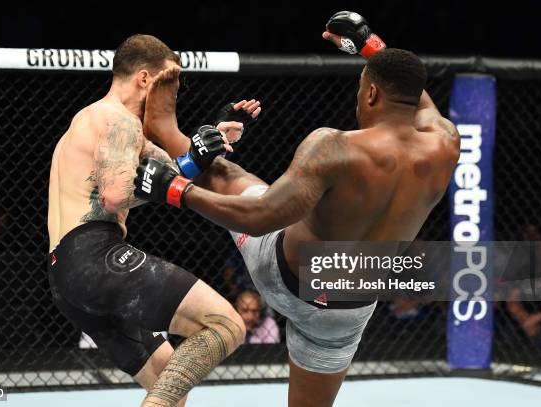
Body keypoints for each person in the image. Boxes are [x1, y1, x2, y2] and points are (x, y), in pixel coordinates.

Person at [134, 12, 460, 407]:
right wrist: (371, 45)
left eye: (362, 89)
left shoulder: (335, 146)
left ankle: (165, 128)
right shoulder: (445, 142)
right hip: (347, 308)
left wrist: (175, 189)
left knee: (223, 174)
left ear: (371, 94)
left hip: (281, 274)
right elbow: (416, 94)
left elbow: (260, 219)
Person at [46, 34, 260, 407]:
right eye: (168, 85)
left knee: (168, 385)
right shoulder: (119, 121)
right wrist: (175, 180)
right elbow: (116, 195)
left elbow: (177, 168)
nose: (171, 98)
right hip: (96, 257)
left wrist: (212, 138)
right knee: (226, 325)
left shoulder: (94, 119)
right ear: (145, 79)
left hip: (66, 275)